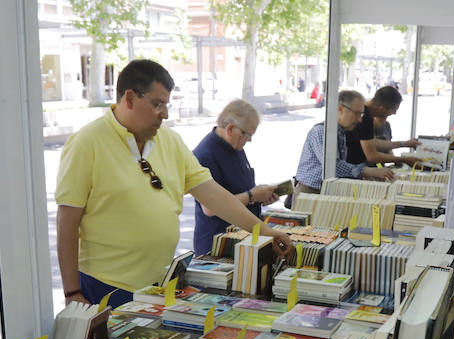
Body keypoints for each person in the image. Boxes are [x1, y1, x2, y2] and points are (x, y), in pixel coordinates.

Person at [56, 59, 293, 307]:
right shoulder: (86, 143)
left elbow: (214, 196)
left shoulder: (170, 141)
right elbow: (67, 224)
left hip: (159, 285)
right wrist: (72, 293)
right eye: (157, 104)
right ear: (129, 98)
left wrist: (266, 232)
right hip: (104, 287)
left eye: (166, 104)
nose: (165, 114)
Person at [192, 99, 278, 256]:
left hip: (241, 236)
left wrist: (261, 195)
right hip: (216, 244)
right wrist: (252, 196)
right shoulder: (205, 155)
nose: (249, 140)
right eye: (247, 134)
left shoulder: (234, 145)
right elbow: (210, 208)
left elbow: (239, 186)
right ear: (231, 129)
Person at [292, 90, 394, 202]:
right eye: (357, 114)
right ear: (340, 109)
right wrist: (367, 171)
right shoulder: (322, 132)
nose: (360, 119)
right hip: (310, 193)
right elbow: (333, 166)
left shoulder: (341, 133)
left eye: (361, 114)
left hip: (326, 191)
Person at [345, 86, 422, 168]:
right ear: (382, 109)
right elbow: (372, 156)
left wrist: (405, 144)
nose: (394, 113)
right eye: (393, 110)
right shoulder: (365, 118)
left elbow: (374, 143)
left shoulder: (368, 118)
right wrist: (404, 159)